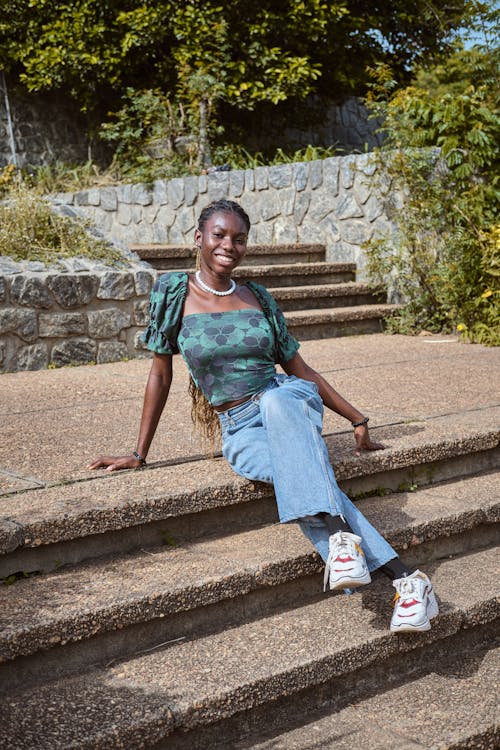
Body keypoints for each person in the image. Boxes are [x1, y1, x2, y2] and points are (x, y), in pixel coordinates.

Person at [89, 199, 438, 633]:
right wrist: (139, 453)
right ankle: (407, 580)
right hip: (239, 428)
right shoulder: (174, 293)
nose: (228, 245)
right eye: (219, 235)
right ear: (199, 238)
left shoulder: (257, 296)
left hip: (285, 402)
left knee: (276, 403)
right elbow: (160, 375)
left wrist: (356, 419)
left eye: (238, 238)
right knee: (300, 479)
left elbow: (299, 369)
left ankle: (347, 553)